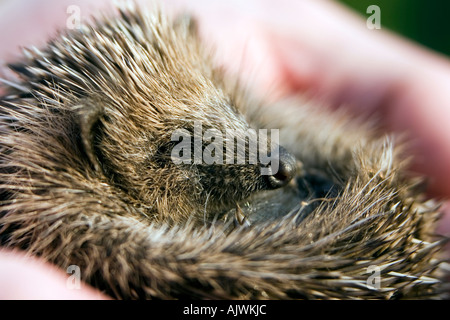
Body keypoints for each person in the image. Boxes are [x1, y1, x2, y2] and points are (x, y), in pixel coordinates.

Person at [0, 0, 449, 299]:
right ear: (95, 147)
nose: (278, 165)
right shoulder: (66, 221)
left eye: (229, 107)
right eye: (184, 147)